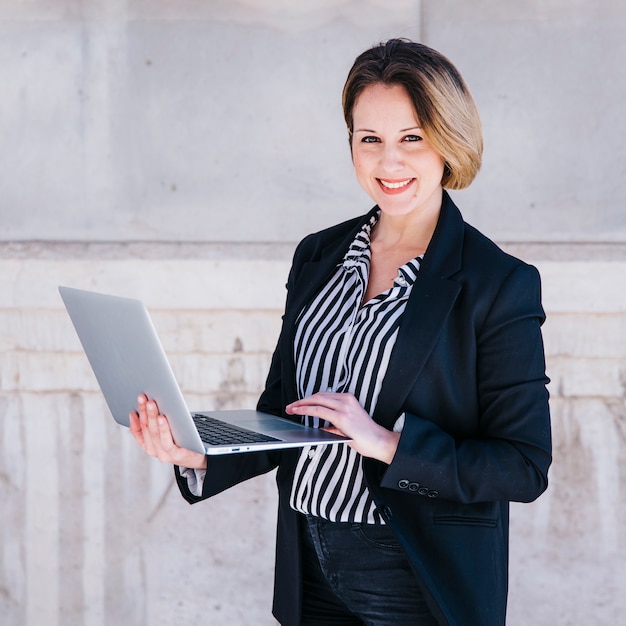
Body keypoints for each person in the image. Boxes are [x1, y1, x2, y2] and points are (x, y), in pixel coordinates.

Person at [129, 38, 552, 626]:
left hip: (416, 577)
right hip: (309, 564)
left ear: (448, 141)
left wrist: (386, 443)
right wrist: (197, 453)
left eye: (412, 137)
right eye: (369, 139)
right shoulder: (318, 255)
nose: (389, 162)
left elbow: (523, 465)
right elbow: (283, 412)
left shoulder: (497, 283)